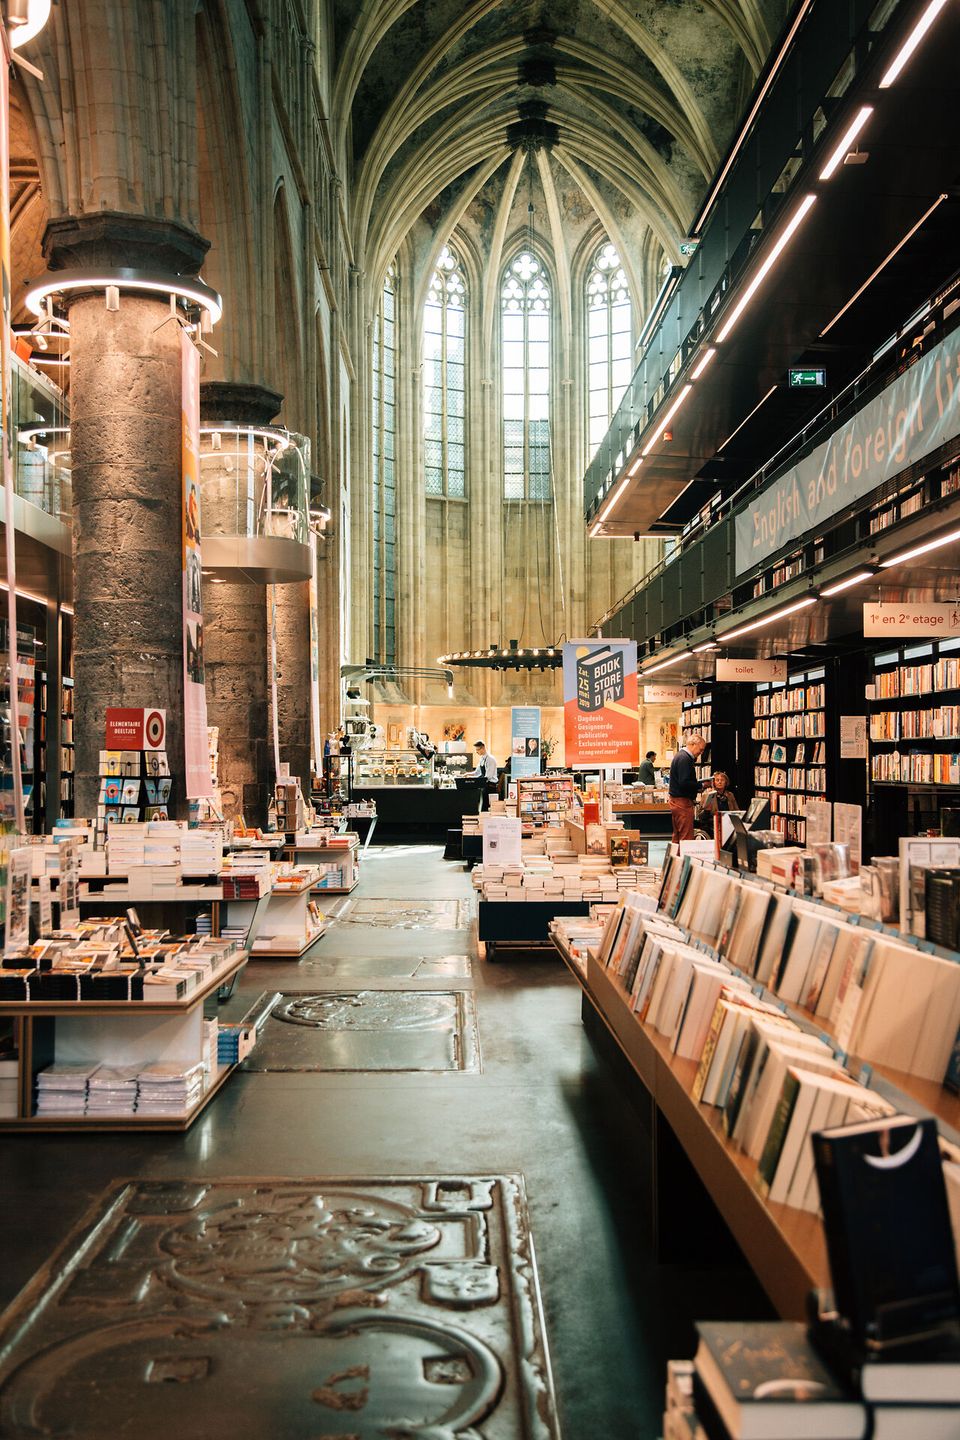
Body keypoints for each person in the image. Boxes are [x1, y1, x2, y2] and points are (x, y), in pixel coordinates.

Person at [668, 733, 707, 843]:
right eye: (701, 749)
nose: (701, 752)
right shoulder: (685, 759)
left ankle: (675, 859)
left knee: (677, 835)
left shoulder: (680, 756)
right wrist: (701, 785)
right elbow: (684, 782)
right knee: (686, 837)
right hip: (682, 803)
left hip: (676, 801)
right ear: (693, 744)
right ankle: (684, 860)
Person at [473, 740, 499, 810]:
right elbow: (477, 773)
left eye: (478, 749)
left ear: (483, 748)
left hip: (491, 787)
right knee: (483, 806)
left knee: (489, 807)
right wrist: (467, 775)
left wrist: (476, 782)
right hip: (485, 785)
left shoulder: (490, 759)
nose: (476, 752)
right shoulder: (482, 759)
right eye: (476, 750)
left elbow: (488, 776)